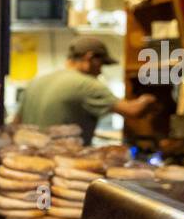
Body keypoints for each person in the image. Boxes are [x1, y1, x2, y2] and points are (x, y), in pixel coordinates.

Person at [15, 36, 156, 142]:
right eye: (101, 64)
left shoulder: (37, 81)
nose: (100, 71)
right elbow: (133, 111)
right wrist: (150, 98)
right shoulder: (87, 85)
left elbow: (16, 123)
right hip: (64, 167)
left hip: (29, 166)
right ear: (89, 58)